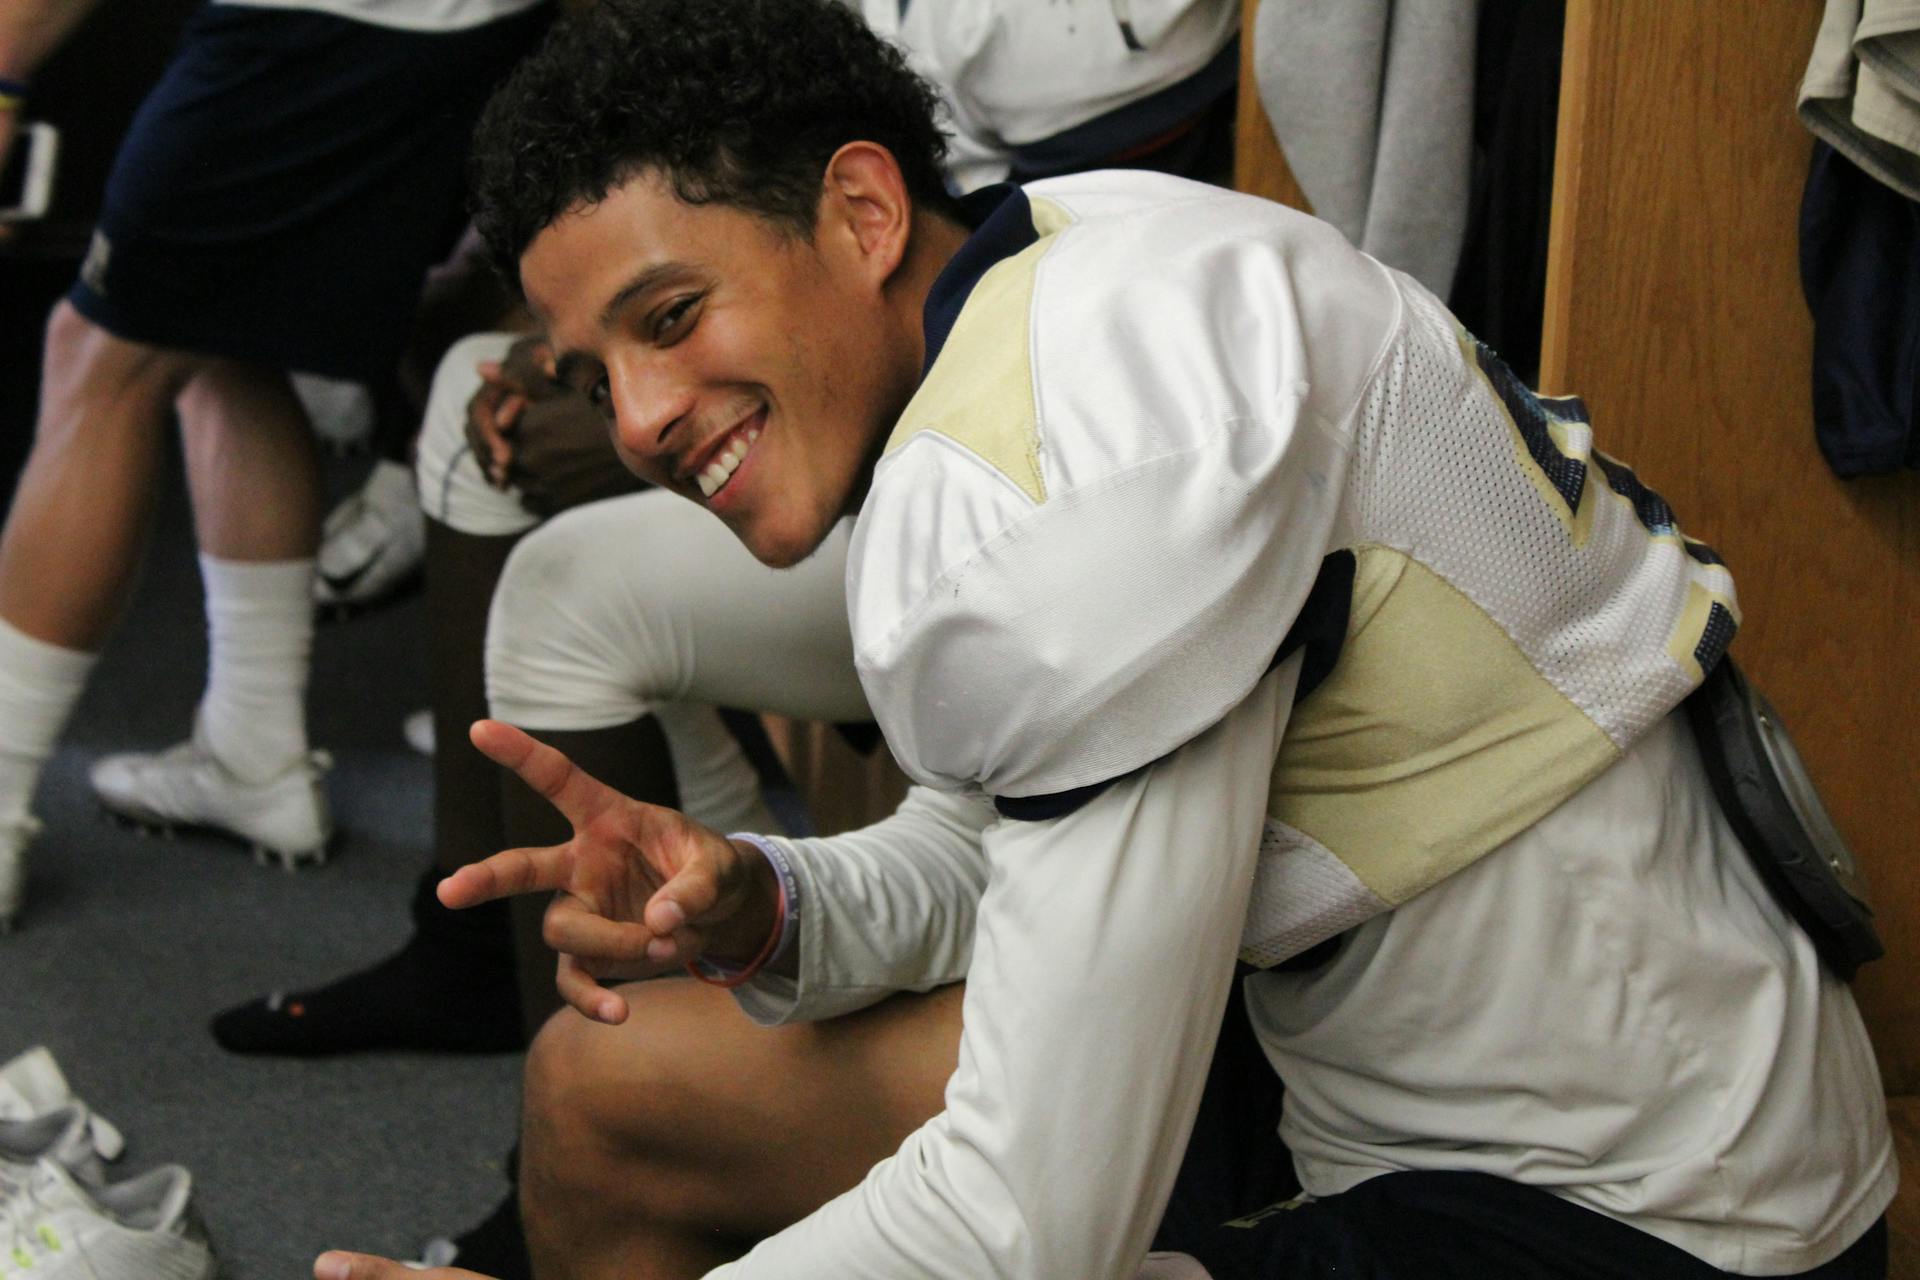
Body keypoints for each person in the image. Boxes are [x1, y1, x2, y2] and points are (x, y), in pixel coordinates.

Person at [316, 1, 1897, 1277]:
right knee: (608, 1093)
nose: (644, 420)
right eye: (598, 376)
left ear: (861, 210)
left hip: (1630, 1217)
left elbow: (1026, 1225)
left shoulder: (1067, 436)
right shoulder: (1063, 264)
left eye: (671, 320)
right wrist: (765, 904)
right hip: (1381, 1094)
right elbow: (1001, 847)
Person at [0, 0, 549, 929]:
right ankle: (253, 757)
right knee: (219, 343)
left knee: (101, 360)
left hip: (316, 25)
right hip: (465, 29)